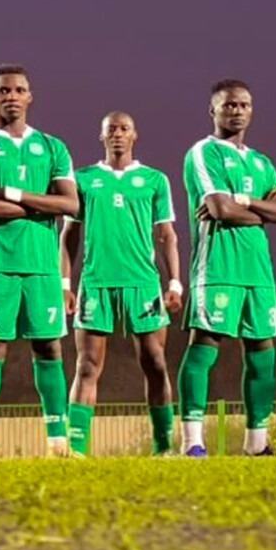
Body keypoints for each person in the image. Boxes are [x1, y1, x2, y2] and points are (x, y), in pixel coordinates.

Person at [0, 64, 79, 458]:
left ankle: (58, 443)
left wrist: (13, 194)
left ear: (30, 96)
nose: (11, 96)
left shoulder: (53, 146)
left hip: (43, 265)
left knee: (49, 348)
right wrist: (41, 206)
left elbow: (71, 204)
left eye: (18, 90)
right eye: (3, 91)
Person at [178, 79, 276, 457]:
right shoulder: (203, 152)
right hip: (218, 266)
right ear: (212, 110)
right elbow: (219, 209)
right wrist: (262, 209)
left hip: (258, 271)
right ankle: (192, 441)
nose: (237, 111)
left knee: (263, 350)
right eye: (229, 105)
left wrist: (245, 201)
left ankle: (257, 444)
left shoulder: (262, 162)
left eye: (244, 105)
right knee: (205, 347)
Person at [60, 112, 181, 457]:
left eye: (124, 129)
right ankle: (77, 450)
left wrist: (175, 282)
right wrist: (66, 283)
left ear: (134, 135)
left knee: (155, 362)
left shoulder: (155, 180)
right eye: (110, 129)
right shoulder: (83, 179)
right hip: (96, 283)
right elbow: (69, 234)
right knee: (86, 366)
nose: (117, 134)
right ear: (101, 136)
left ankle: (163, 447)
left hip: (143, 283)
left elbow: (167, 235)